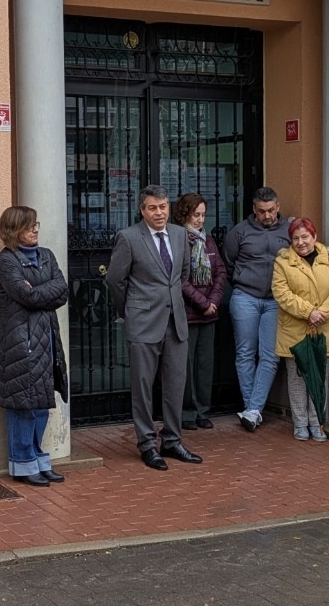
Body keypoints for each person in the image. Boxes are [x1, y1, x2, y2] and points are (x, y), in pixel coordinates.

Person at [106, 185, 204, 471]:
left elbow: (182, 275)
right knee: (143, 387)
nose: (159, 213)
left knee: (175, 385)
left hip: (175, 323)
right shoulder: (128, 238)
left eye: (163, 207)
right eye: (152, 208)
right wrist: (130, 310)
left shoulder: (179, 234)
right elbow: (114, 280)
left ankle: (172, 441)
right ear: (142, 210)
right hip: (143, 322)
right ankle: (147, 444)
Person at [0, 205, 70, 487]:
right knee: (23, 406)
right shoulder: (6, 260)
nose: (35, 229)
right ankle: (22, 464)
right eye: (28, 225)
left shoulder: (46, 255)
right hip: (19, 343)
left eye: (36, 224)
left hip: (46, 339)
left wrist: (36, 290)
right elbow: (26, 296)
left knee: (41, 404)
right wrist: (40, 292)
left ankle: (38, 460)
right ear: (14, 230)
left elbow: (62, 290)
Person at [269, 218, 329, 441]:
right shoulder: (282, 262)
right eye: (295, 238)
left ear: (314, 237)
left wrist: (321, 312)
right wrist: (308, 312)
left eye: (305, 237)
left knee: (320, 378)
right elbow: (281, 293)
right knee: (297, 379)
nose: (301, 242)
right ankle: (300, 423)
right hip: (295, 329)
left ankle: (317, 422)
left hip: (324, 327)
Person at [223, 187, 292, 431]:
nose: (267, 215)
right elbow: (228, 264)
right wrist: (243, 281)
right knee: (245, 353)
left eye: (271, 210)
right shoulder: (239, 232)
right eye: (262, 211)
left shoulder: (289, 231)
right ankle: (252, 408)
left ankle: (253, 410)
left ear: (278, 206)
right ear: (254, 209)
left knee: (270, 355)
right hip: (245, 297)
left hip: (276, 300)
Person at [174, 192, 227, 431]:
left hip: (209, 314)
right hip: (188, 313)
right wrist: (203, 303)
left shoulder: (209, 241)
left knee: (205, 366)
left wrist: (213, 301)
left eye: (203, 215)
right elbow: (179, 278)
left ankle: (203, 411)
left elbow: (220, 272)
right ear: (184, 214)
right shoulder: (178, 239)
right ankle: (187, 412)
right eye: (196, 215)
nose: (200, 220)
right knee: (186, 366)